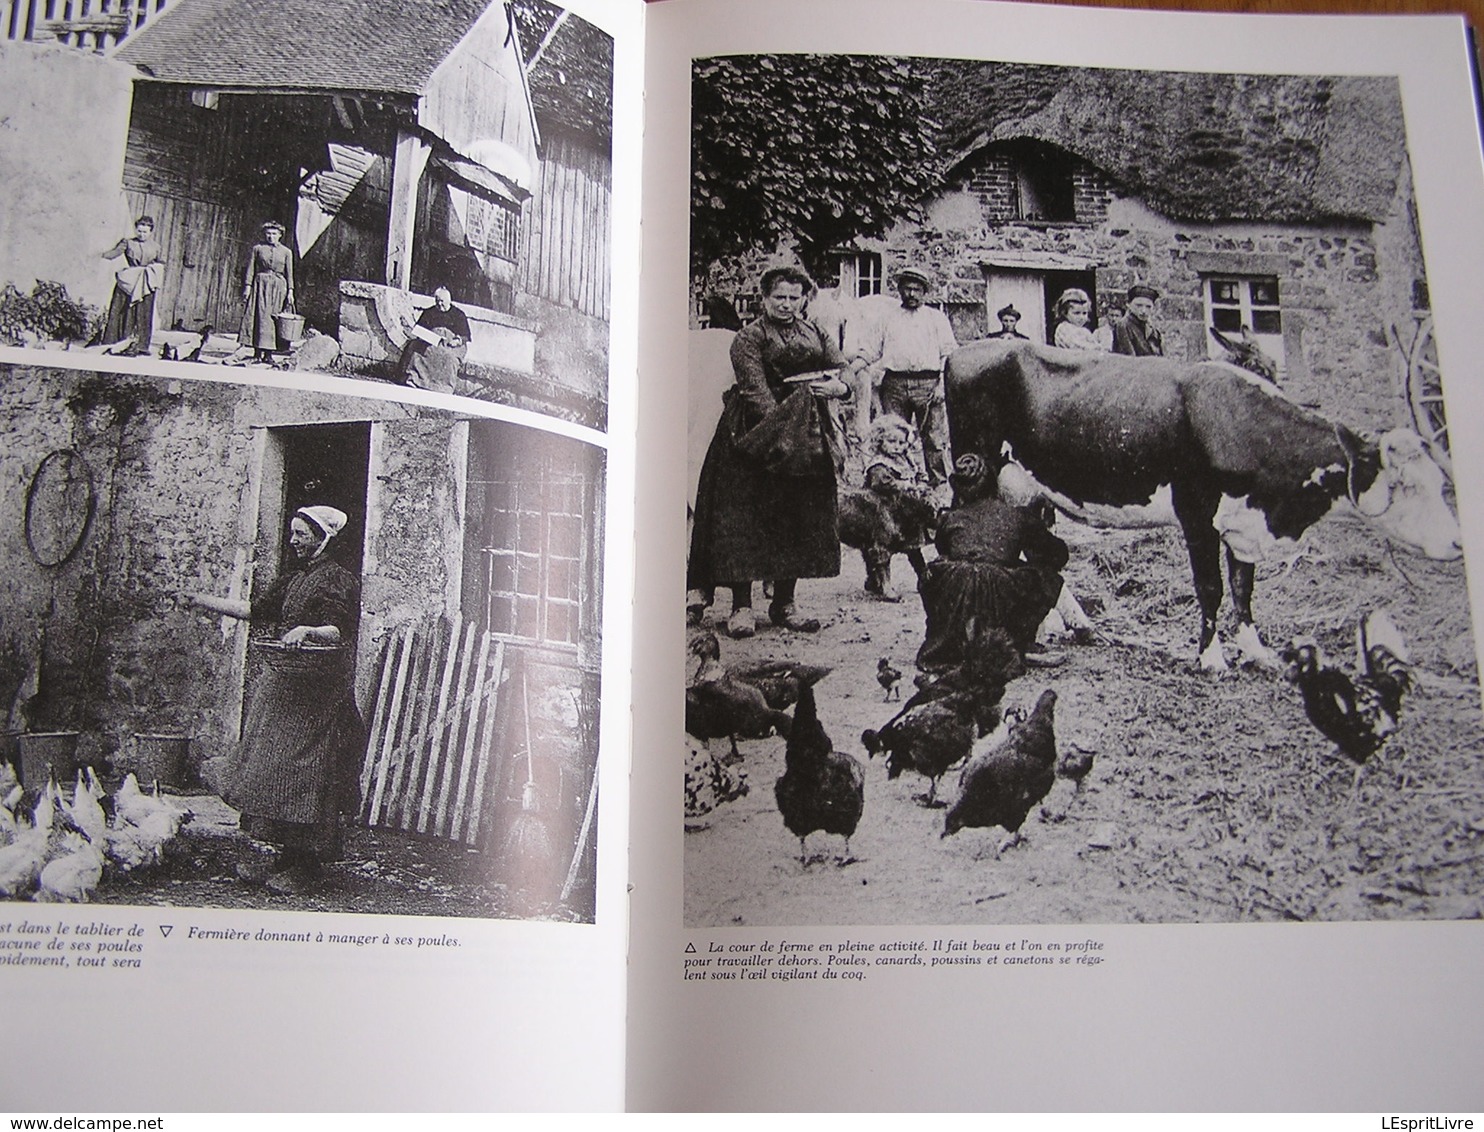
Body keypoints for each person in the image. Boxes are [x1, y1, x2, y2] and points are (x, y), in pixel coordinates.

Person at [189, 506, 365, 895]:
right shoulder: (295, 578)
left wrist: (307, 629)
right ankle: (281, 856)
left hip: (316, 694)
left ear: (321, 537)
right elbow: (255, 611)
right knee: (270, 768)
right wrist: (202, 600)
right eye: (292, 534)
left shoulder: (337, 579)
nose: (293, 541)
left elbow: (338, 629)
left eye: (300, 534)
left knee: (305, 773)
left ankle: (304, 864)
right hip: (286, 686)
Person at [687, 264, 850, 639]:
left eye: (795, 298)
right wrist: (781, 436)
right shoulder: (749, 338)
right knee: (746, 518)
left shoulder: (816, 332)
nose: (787, 305)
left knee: (797, 516)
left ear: (805, 299)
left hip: (807, 433)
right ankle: (742, 608)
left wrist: (837, 389)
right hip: (753, 436)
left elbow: (840, 369)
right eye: (780, 297)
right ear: (765, 299)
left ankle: (785, 604)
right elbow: (755, 391)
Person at [916, 453, 1069, 675]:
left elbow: (945, 551)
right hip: (1000, 586)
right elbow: (1057, 555)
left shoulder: (950, 518)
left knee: (939, 572)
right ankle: (1019, 642)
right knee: (1047, 578)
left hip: (955, 580)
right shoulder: (1017, 516)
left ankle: (953, 640)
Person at [849, 267, 957, 486]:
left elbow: (948, 354)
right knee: (892, 436)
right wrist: (849, 371)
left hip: (928, 383)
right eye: (907, 289)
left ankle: (938, 486)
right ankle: (897, 483)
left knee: (934, 439)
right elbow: (869, 351)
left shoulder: (936, 319)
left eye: (917, 290)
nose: (912, 294)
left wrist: (941, 386)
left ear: (925, 292)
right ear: (899, 290)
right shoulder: (887, 319)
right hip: (894, 384)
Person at [100, 216, 163, 356]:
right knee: (122, 311)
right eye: (139, 231)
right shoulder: (128, 243)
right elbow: (114, 253)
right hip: (129, 281)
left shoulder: (156, 247)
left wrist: (153, 271)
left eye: (145, 232)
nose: (141, 234)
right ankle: (116, 341)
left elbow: (161, 264)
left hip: (145, 283)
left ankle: (141, 345)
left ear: (151, 232)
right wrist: (99, 255)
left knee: (144, 314)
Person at [398, 286, 473, 393]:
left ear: (448, 300)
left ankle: (443, 388)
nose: (439, 304)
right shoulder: (430, 312)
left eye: (442, 301)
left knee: (449, 358)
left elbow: (465, 336)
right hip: (431, 342)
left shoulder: (459, 315)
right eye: (437, 301)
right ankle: (415, 381)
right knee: (418, 353)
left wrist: (457, 340)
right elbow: (419, 329)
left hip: (451, 345)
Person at [240, 220, 295, 362]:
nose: (271, 236)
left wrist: (290, 291)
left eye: (274, 234)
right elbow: (251, 268)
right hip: (261, 285)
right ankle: (257, 353)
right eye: (268, 234)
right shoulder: (257, 248)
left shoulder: (286, 252)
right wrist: (247, 286)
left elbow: (290, 273)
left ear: (280, 235)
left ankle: (269, 354)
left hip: (278, 287)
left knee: (273, 318)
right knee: (259, 316)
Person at [1110, 283, 1165, 357]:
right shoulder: (1123, 325)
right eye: (1138, 305)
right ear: (1129, 305)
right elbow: (1129, 358)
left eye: (1148, 307)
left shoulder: (1153, 330)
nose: (1143, 311)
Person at [1051, 287, 1106, 352]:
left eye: (1084, 313)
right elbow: (1076, 345)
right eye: (1076, 313)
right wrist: (1097, 348)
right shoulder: (1064, 329)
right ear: (1065, 313)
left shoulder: (1084, 330)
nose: (1081, 317)